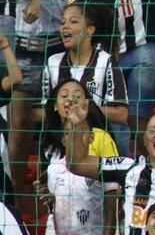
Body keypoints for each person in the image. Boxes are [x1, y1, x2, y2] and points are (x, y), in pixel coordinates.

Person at [64, 111, 155, 235]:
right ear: (144, 139)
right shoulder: (127, 167)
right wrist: (77, 124)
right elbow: (77, 164)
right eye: (153, 131)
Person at [40, 78, 121, 235]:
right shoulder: (49, 144)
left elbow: (112, 192)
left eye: (77, 96)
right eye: (64, 96)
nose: (70, 100)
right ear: (55, 105)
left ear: (86, 105)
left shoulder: (100, 137)